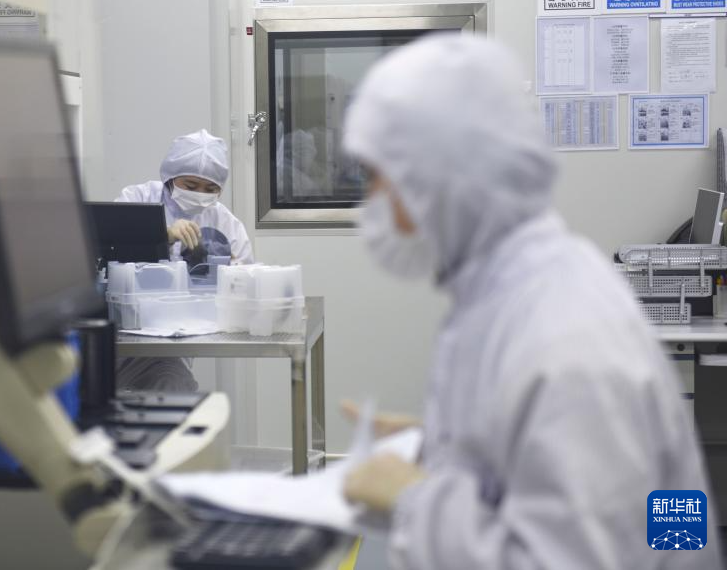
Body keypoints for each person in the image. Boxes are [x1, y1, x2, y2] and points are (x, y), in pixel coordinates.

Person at [340, 35, 722, 569]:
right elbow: (537, 472)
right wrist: (438, 447)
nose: (370, 204)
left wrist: (413, 499)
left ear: (437, 182)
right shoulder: (511, 290)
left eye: (375, 179)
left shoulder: (562, 339)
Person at [115, 128, 254, 391]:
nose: (200, 193)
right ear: (170, 177)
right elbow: (107, 249)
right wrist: (160, 235)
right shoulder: (137, 199)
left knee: (173, 388)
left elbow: (245, 281)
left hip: (169, 350)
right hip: (121, 335)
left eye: (210, 188)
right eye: (190, 186)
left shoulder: (225, 222)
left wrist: (230, 271)